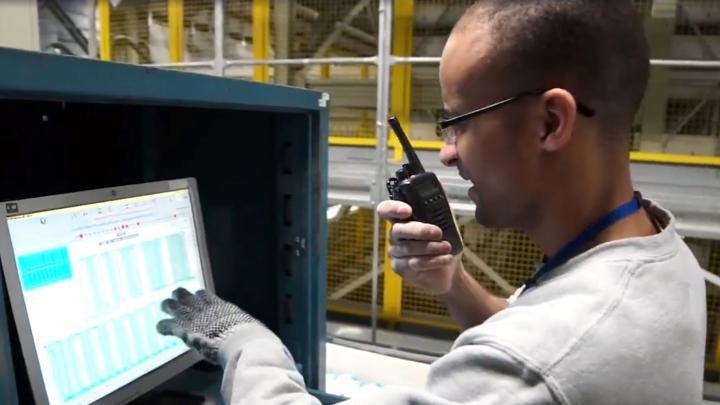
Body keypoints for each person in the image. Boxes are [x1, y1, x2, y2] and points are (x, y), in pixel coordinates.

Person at [157, 1, 707, 403]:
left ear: (550, 122)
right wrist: (451, 279)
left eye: (458, 123)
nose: (447, 155)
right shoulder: (660, 252)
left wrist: (246, 341)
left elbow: (537, 358)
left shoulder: (536, 366)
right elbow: (527, 327)